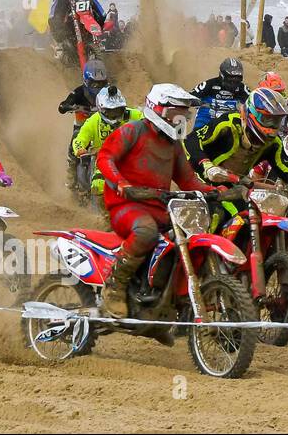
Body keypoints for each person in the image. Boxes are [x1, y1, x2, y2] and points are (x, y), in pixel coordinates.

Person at [96, 83, 210, 320]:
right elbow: (105, 158)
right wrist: (121, 183)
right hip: (124, 205)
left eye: (184, 114)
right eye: (176, 113)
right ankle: (114, 286)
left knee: (188, 238)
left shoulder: (174, 145)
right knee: (146, 232)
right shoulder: (133, 130)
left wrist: (215, 191)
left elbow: (188, 180)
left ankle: (164, 301)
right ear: (157, 109)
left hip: (160, 207)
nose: (180, 119)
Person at [183, 87, 288, 238]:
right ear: (252, 113)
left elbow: (285, 166)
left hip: (233, 183)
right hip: (202, 176)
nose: (272, 126)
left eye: (276, 121)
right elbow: (191, 141)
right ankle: (200, 251)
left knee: (250, 218)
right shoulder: (228, 123)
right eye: (268, 119)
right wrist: (206, 165)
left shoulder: (273, 142)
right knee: (218, 214)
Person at [71, 85, 143, 210]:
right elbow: (79, 140)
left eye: (118, 110)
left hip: (130, 156)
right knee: (98, 184)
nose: (115, 115)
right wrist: (80, 150)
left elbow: (149, 122)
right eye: (111, 111)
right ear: (101, 109)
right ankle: (102, 215)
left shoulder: (134, 115)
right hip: (104, 159)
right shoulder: (93, 121)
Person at [58, 58, 109, 187]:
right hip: (81, 126)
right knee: (75, 140)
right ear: (86, 81)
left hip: (102, 124)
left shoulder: (109, 91)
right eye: (95, 84)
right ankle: (71, 171)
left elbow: (120, 101)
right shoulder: (79, 92)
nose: (98, 87)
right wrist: (68, 106)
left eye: (102, 83)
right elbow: (63, 105)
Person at [191, 57, 249, 130]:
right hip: (207, 117)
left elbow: (252, 102)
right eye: (230, 78)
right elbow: (190, 96)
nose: (233, 82)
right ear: (222, 75)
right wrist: (195, 102)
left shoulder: (242, 88)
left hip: (231, 120)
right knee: (196, 135)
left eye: (237, 79)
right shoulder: (209, 84)